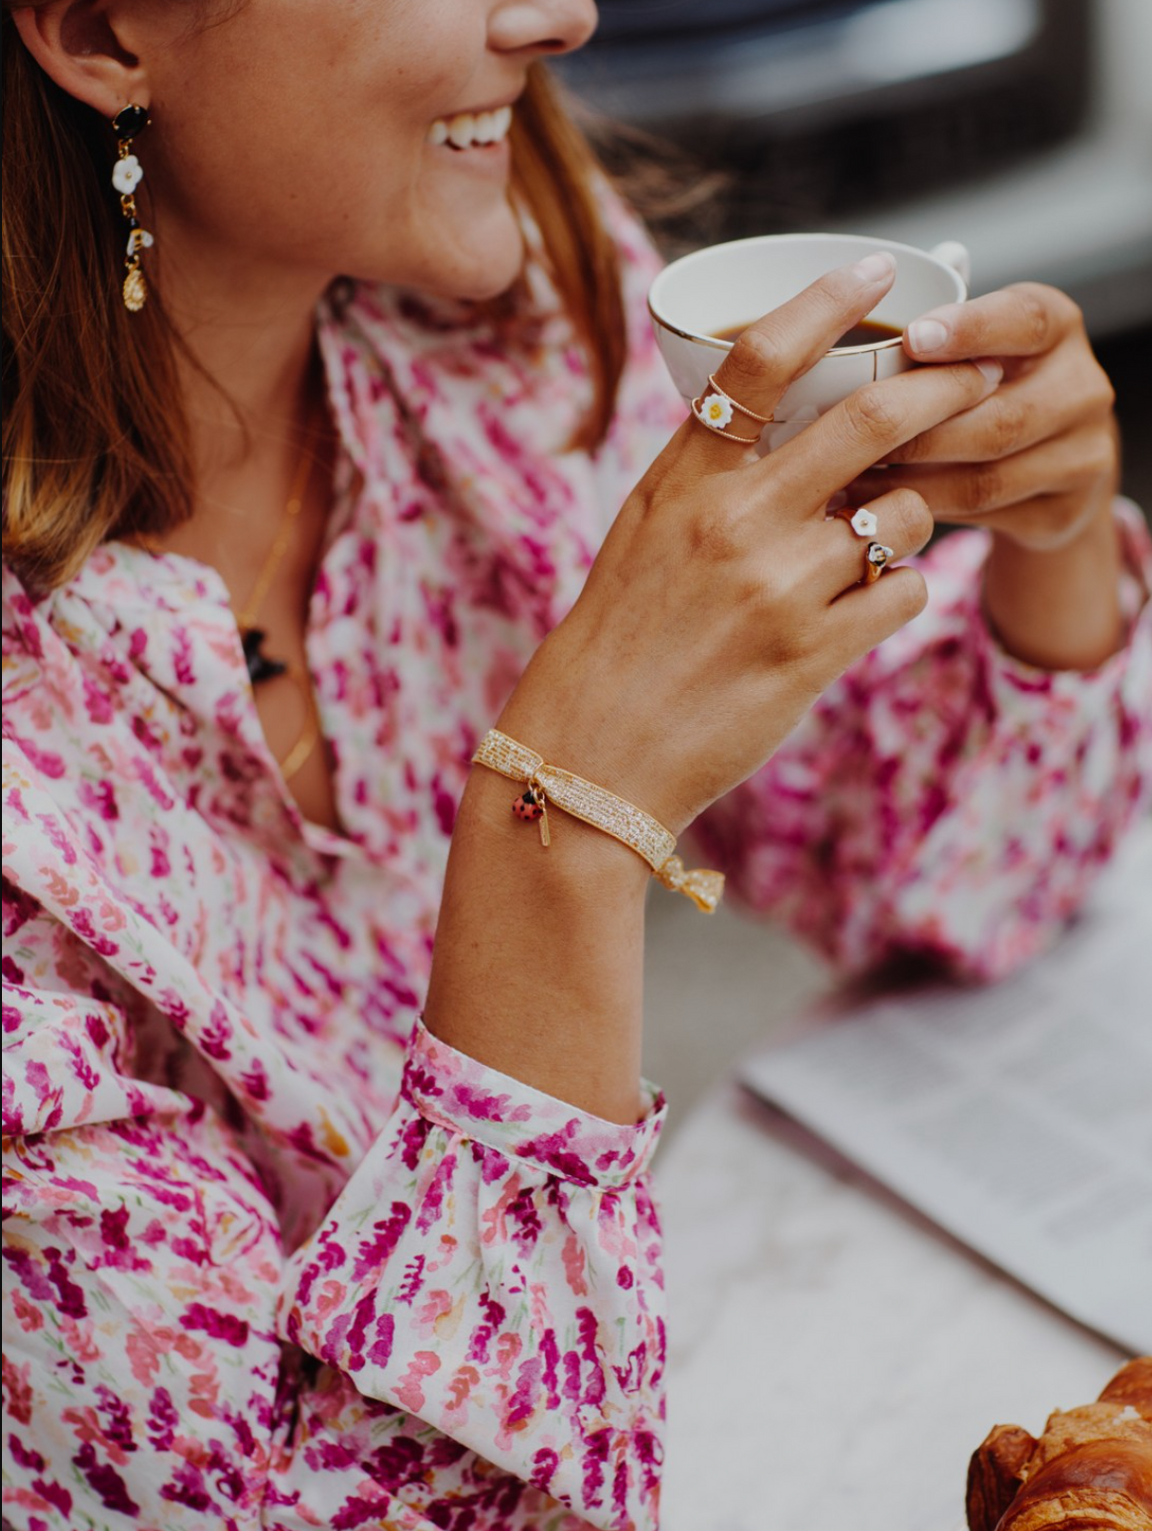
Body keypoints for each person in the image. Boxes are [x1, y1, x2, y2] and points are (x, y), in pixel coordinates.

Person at [2, 0, 1148, 1527]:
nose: (565, 15)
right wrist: (569, 812)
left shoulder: (500, 317)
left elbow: (938, 883)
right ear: (96, 32)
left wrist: (1047, 539)